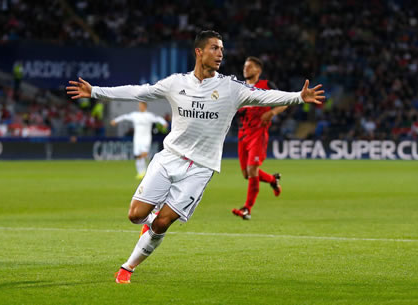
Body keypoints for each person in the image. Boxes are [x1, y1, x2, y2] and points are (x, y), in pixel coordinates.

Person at [66, 30, 324, 284]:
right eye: (214, 48)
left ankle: (127, 268)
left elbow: (264, 97)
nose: (220, 53)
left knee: (163, 222)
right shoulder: (176, 83)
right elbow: (139, 92)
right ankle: (149, 225)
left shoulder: (230, 88)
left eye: (222, 49)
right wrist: (96, 91)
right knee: (135, 215)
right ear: (199, 52)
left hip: (200, 168)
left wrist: (299, 97)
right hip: (169, 158)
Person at [232, 56, 287, 220]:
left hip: (258, 132)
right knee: (246, 174)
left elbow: (285, 101)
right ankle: (272, 180)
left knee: (252, 170)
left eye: (249, 66)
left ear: (258, 70)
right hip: (243, 134)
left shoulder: (266, 86)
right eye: (244, 66)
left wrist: (272, 112)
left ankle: (247, 209)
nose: (245, 69)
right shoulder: (240, 88)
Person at [110, 101, 168, 179]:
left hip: (146, 138)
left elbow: (158, 118)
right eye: (139, 105)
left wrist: (164, 123)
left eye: (141, 105)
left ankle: (146, 171)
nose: (140, 107)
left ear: (145, 106)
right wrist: (115, 120)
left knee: (144, 154)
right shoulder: (135, 115)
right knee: (137, 156)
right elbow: (124, 117)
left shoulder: (149, 115)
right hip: (137, 139)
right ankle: (140, 173)